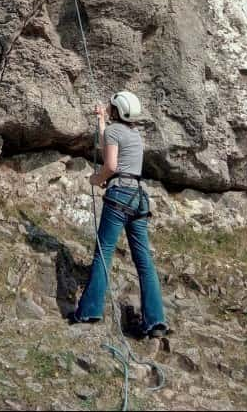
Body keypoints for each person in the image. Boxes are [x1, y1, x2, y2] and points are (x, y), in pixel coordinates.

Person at [69, 90, 169, 338]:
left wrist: (96, 179)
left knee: (104, 253)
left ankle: (89, 311)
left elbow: (111, 164)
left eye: (111, 107)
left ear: (118, 110)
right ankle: (155, 321)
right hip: (139, 198)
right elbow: (110, 146)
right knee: (144, 261)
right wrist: (102, 119)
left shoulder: (115, 132)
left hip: (118, 197)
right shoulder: (135, 135)